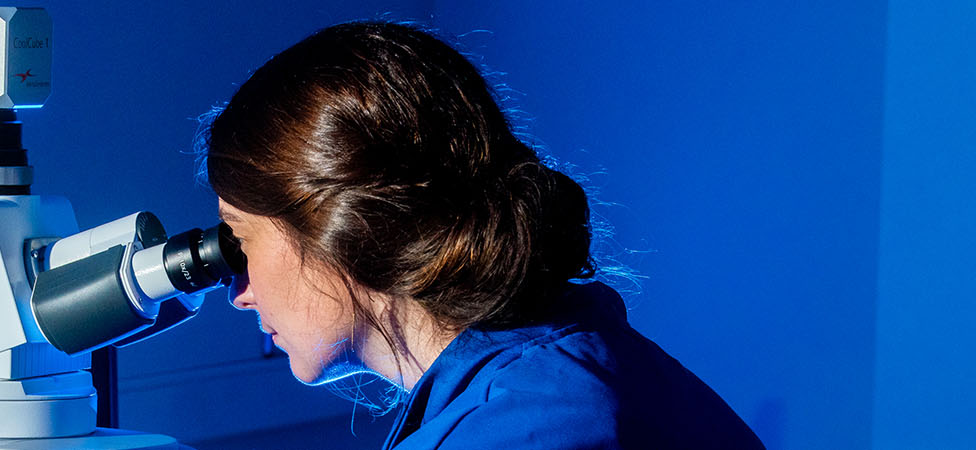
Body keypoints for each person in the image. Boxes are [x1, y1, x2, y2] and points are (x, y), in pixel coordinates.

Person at [200, 22, 763, 449]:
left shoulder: (535, 423)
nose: (238, 291)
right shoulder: (543, 373)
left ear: (345, 228)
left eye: (240, 239)